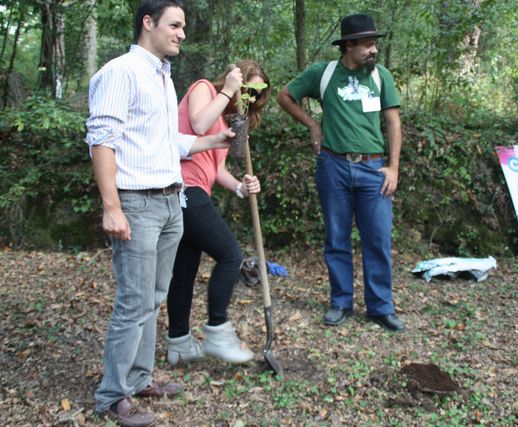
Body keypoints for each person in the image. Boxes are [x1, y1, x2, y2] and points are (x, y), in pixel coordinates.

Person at [86, 1, 234, 425]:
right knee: (133, 302)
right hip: (137, 202)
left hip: (172, 201)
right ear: (147, 23)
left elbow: (171, 141)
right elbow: (102, 140)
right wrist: (112, 207)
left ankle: (139, 378)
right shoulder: (121, 72)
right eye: (175, 25)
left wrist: (215, 140)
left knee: (153, 298)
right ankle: (113, 396)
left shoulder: (163, 76)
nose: (182, 33)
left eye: (184, 26)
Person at [277, 14, 405, 332]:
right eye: (367, 45)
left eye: (375, 44)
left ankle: (380, 307)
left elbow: (393, 123)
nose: (373, 50)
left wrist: (393, 167)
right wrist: (312, 124)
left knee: (377, 238)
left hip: (374, 168)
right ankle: (341, 302)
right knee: (336, 238)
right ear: (348, 45)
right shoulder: (324, 73)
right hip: (333, 166)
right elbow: (284, 96)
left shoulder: (381, 77)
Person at [165, 60, 271, 366]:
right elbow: (198, 125)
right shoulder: (204, 88)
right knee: (230, 255)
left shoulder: (227, 122)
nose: (249, 98)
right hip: (182, 188)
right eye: (248, 88)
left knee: (184, 271)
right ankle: (217, 331)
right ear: (234, 79)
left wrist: (240, 187)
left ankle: (179, 342)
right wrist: (227, 91)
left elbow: (216, 168)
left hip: (199, 188)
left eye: (256, 94)